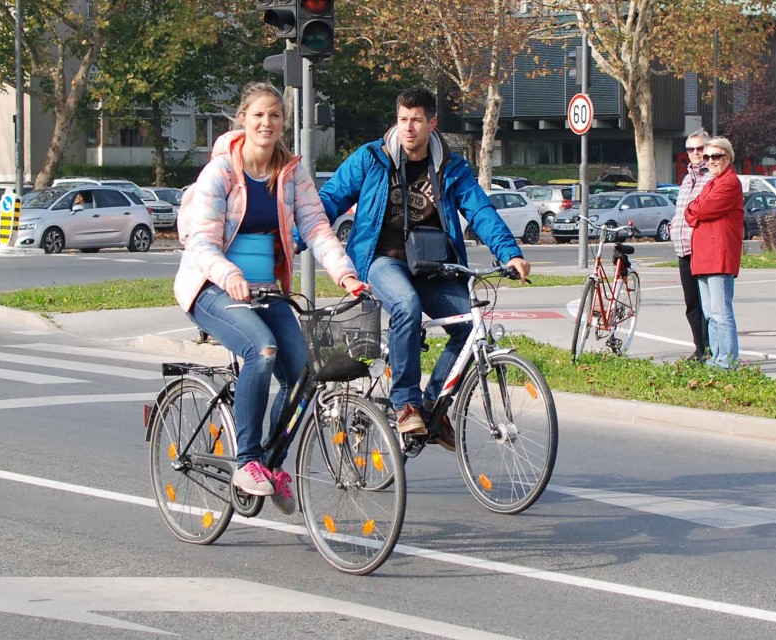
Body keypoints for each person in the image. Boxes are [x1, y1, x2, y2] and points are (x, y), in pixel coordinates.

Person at [174, 82, 365, 511]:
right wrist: (229, 275)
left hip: (266, 290)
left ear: (284, 123)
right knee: (261, 348)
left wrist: (345, 273)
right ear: (243, 119)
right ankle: (248, 460)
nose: (267, 123)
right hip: (211, 286)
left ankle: (273, 460)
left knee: (305, 374)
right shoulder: (221, 171)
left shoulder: (290, 172)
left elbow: (316, 226)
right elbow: (202, 243)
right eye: (259, 114)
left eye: (275, 115)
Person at [318, 87, 530, 450]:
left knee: (470, 326)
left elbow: (480, 211)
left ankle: (432, 404)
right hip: (381, 260)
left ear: (432, 123)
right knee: (405, 305)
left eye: (416, 120)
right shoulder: (372, 158)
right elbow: (329, 199)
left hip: (432, 264)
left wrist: (509, 252)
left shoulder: (452, 167)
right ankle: (406, 404)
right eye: (403, 119)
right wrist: (293, 238)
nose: (408, 127)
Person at [685, 137, 744, 370]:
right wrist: (695, 210)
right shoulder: (711, 183)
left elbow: (703, 208)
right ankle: (716, 356)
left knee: (721, 312)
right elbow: (692, 210)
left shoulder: (729, 183)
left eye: (715, 156)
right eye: (707, 157)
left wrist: (696, 210)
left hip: (719, 255)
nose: (710, 161)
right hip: (704, 257)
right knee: (709, 313)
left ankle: (727, 360)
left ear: (727, 158)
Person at [669, 130, 713, 361]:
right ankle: (699, 349)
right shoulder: (687, 179)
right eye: (690, 149)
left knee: (707, 303)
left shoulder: (711, 177)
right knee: (691, 303)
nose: (695, 153)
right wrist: (673, 226)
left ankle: (709, 348)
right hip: (682, 249)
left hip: (701, 249)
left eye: (700, 148)